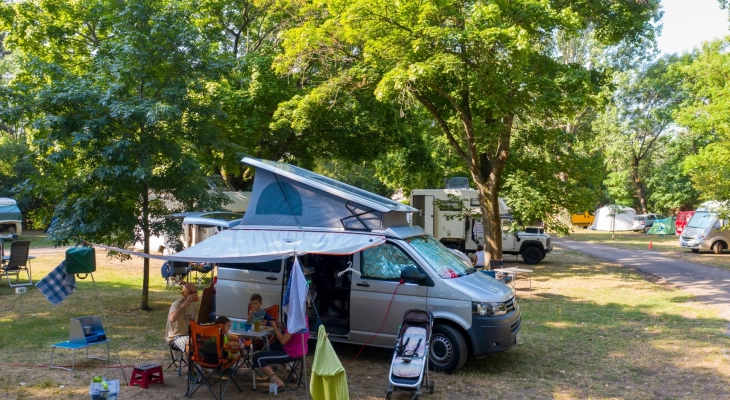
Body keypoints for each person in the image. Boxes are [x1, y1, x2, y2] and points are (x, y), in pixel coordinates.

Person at [252, 320, 309, 392]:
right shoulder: (303, 317)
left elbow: (282, 340)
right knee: (273, 349)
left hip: (292, 353)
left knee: (257, 358)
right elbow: (293, 333)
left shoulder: (294, 321)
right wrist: (282, 327)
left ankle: (278, 382)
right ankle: (291, 374)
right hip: (301, 349)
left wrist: (275, 327)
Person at [165, 282, 199, 353]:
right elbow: (172, 319)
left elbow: (192, 323)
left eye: (195, 292)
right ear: (183, 293)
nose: (193, 294)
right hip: (175, 337)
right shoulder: (176, 304)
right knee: (189, 343)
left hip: (188, 335)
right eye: (190, 292)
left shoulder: (192, 306)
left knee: (205, 341)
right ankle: (190, 364)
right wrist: (186, 302)